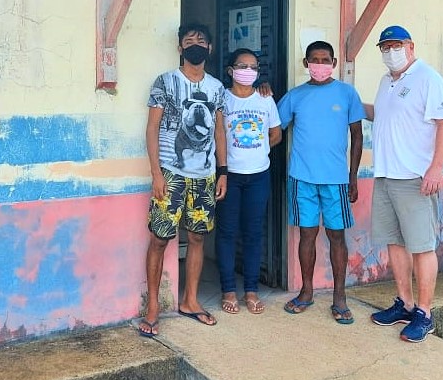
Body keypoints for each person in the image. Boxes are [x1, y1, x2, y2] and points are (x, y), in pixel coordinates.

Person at [367, 25, 443, 343]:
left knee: (421, 246)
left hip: (415, 177)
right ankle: (404, 304)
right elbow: (382, 115)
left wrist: (436, 167)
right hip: (386, 175)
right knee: (395, 242)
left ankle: (424, 313)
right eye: (385, 47)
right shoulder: (386, 82)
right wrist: (350, 103)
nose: (391, 52)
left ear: (410, 46)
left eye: (396, 46)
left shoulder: (428, 79)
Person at [138, 23, 227, 337]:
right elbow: (152, 128)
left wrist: (222, 171)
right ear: (180, 48)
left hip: (204, 176)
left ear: (209, 48)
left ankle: (190, 301)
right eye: (189, 41)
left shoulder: (217, 88)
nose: (195, 45)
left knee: (198, 238)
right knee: (159, 240)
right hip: (171, 174)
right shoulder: (165, 82)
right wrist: (156, 173)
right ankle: (153, 308)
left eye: (201, 41)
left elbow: (219, 131)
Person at [277, 41, 364, 324]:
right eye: (314, 59)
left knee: (337, 236)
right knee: (307, 235)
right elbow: (273, 125)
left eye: (325, 60)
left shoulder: (347, 93)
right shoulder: (295, 96)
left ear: (334, 63)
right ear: (306, 64)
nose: (320, 64)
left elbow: (357, 136)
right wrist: (262, 93)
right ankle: (306, 291)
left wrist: (353, 177)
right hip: (302, 178)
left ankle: (340, 297)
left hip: (336, 180)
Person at [216, 48, 281, 315]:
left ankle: (251, 290)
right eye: (242, 66)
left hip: (258, 176)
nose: (248, 71)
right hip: (229, 176)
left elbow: (276, 134)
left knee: (254, 233)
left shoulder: (265, 99)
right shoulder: (222, 98)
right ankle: (228, 290)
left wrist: (259, 150)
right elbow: (217, 135)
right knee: (227, 232)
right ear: (230, 70)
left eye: (253, 67)